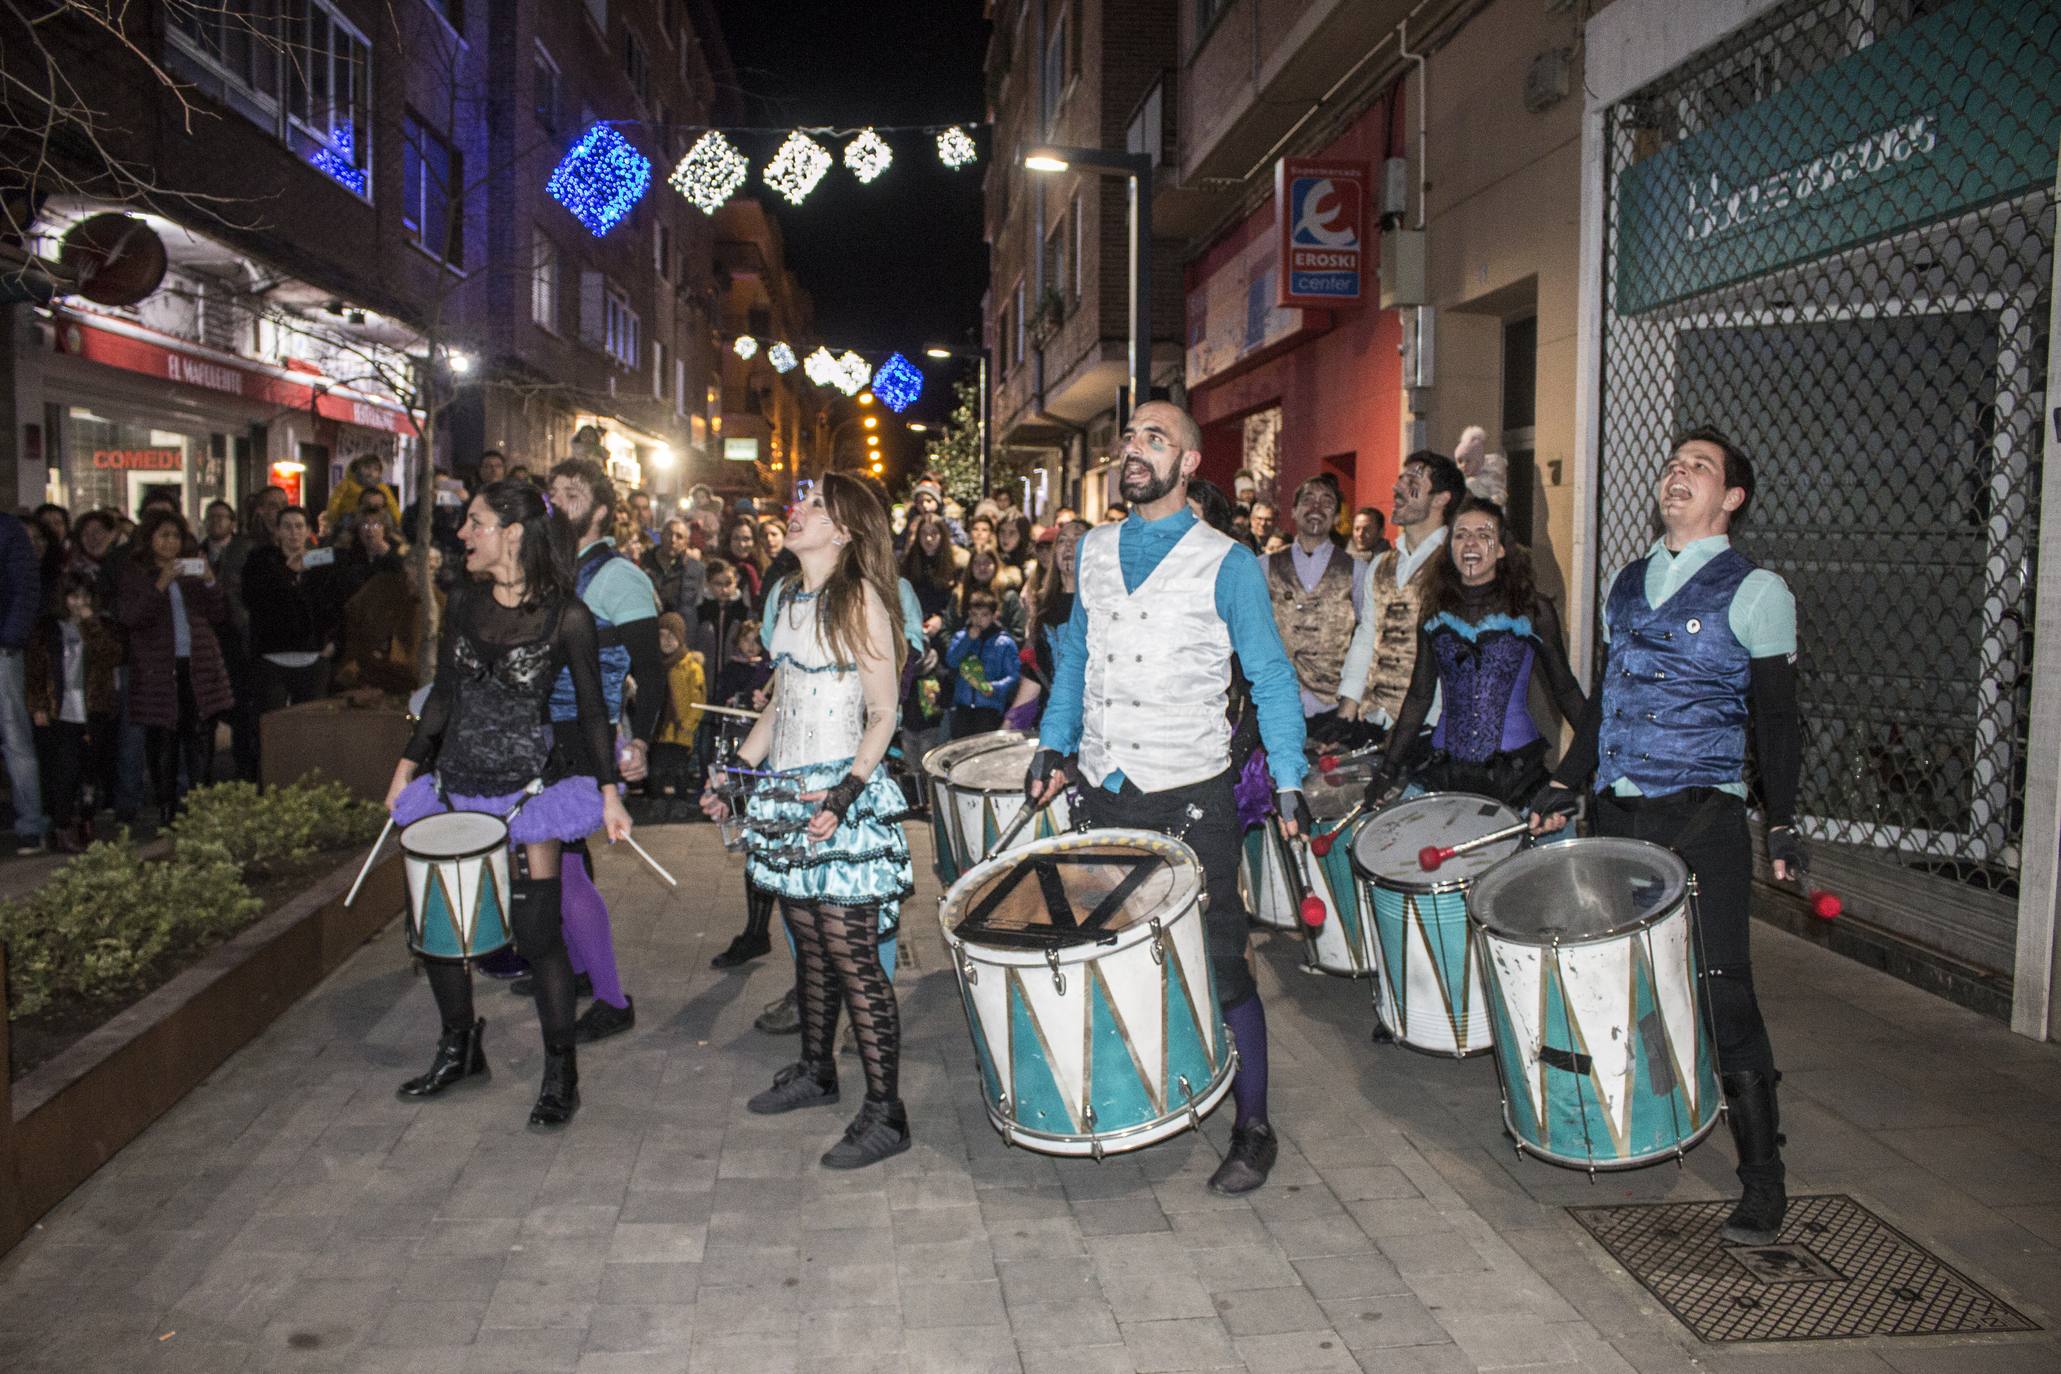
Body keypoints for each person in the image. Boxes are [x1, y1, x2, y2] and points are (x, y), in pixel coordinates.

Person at [1027, 400, 1309, 1196]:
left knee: (1220, 966)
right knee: (1103, 953)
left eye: (1155, 438)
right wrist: (1053, 742)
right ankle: (1129, 1097)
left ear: (1189, 463)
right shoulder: (1095, 551)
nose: (1133, 449)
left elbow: (1269, 675)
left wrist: (1287, 777)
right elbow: (1075, 657)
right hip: (1104, 787)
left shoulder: (1228, 562)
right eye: (1129, 438)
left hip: (1189, 793)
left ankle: (1252, 1127)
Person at [1529, 428, 1803, 1247]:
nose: (1679, 473)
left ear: (1731, 499)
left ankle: (1763, 1180)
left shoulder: (1757, 591)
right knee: (1626, 980)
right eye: (1674, 462)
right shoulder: (1625, 582)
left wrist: (1782, 821)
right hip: (1618, 814)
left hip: (1703, 818)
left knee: (1722, 991)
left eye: (1701, 468)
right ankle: (1648, 1121)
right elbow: (1607, 703)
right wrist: (1564, 782)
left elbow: (1780, 722)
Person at [385, 479, 632, 1129]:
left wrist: (609, 792)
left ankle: (560, 1075)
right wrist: (406, 766)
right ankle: (460, 1047)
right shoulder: (464, 601)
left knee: (537, 936)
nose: (463, 534)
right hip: (456, 785)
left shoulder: (566, 616)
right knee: (442, 933)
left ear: (513, 533)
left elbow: (594, 713)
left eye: (475, 522)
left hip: (530, 795)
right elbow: (442, 696)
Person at [700, 474, 915, 1169]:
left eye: (817, 506)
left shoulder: (861, 600)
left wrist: (846, 793)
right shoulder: (786, 599)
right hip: (788, 795)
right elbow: (780, 705)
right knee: (809, 945)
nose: (799, 512)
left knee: (853, 959)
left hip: (837, 800)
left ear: (845, 529)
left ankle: (887, 1111)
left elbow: (883, 713)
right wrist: (735, 772)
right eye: (803, 502)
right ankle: (816, 1072)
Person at [541, 457, 668, 1045]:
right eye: (553, 491)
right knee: (559, 861)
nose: (556, 501)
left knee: (563, 862)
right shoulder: (550, 568)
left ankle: (611, 995)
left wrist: (639, 739)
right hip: (548, 734)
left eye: (571, 494)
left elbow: (651, 670)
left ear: (599, 512)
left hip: (583, 736)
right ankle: (585, 970)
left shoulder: (622, 578)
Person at [1364, 498, 1584, 806]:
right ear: (1450, 547)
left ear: (1503, 548)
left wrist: (1593, 761)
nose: (1471, 543)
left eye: (1484, 534)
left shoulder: (1533, 611)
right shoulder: (1433, 612)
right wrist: (1388, 769)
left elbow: (1566, 691)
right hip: (1444, 772)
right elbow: (1419, 696)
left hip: (1516, 776)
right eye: (1460, 534)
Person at [1338, 452, 1466, 753]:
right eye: (1400, 479)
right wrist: (1348, 707)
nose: (1397, 489)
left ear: (1440, 499)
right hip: (1374, 717)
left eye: (1412, 481)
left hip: (1432, 726)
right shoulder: (1381, 563)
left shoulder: (1454, 564)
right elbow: (1367, 635)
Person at [116, 509, 233, 825]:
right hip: (158, 671)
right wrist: (160, 584)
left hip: (197, 667)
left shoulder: (192, 570)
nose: (170, 542)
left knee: (199, 738)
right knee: (163, 742)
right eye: (163, 535)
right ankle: (167, 808)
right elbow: (131, 616)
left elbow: (219, 613)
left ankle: (198, 805)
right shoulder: (136, 573)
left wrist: (209, 581)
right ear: (149, 539)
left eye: (175, 536)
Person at [25, 573, 122, 851]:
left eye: (84, 596)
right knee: (65, 769)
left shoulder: (102, 626)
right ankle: (63, 824)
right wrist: (38, 705)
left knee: (91, 769)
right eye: (74, 596)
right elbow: (35, 671)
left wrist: (91, 623)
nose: (79, 602)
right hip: (62, 710)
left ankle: (87, 821)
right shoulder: (48, 628)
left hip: (94, 709)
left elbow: (112, 655)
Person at [1265, 475, 1361, 739]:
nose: (1317, 507)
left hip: (1332, 708)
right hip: (1276, 705)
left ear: (1336, 514)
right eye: (1308, 500)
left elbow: (1367, 640)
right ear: (1294, 511)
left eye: (1327, 502)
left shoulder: (1357, 569)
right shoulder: (1264, 566)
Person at [241, 506, 341, 713]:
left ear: (308, 531)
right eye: (287, 527)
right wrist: (289, 573)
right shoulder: (260, 561)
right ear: (277, 531)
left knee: (309, 723)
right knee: (273, 724)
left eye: (298, 526)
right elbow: (257, 601)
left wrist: (332, 640)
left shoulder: (322, 563)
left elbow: (333, 604)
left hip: (313, 656)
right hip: (272, 656)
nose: (293, 532)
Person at [333, 510, 424, 695]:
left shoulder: (397, 554)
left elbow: (407, 580)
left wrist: (387, 553)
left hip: (389, 631)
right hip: (360, 625)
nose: (370, 531)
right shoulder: (346, 555)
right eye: (365, 525)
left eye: (376, 525)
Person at [0, 514, 49, 853]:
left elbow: (26, 587)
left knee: (14, 736)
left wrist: (10, 640)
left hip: (2, 650)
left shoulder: (8, 531)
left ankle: (31, 825)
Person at [647, 611, 704, 820]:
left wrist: (688, 724)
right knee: (657, 768)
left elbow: (698, 699)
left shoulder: (690, 665)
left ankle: (680, 801)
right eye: (661, 636)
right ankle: (658, 800)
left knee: (680, 769)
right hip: (660, 729)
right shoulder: (653, 665)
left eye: (672, 636)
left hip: (681, 729)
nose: (667, 641)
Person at [944, 590, 1018, 738]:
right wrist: (967, 640)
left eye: (984, 615)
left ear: (994, 615)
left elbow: (1013, 675)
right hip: (962, 707)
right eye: (974, 615)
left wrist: (995, 688)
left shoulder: (1004, 642)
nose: (978, 620)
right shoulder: (961, 636)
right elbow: (952, 661)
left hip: (989, 708)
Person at [324, 453, 398, 531]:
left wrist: (400, 523)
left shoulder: (382, 487)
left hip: (374, 516)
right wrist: (333, 519)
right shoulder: (347, 483)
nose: (371, 472)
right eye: (367, 467)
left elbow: (392, 505)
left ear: (380, 473)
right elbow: (334, 501)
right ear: (358, 468)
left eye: (375, 469)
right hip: (351, 516)